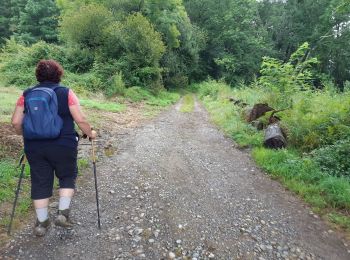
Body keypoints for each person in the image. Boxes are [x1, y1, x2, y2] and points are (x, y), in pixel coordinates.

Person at [11, 59, 97, 237]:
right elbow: (80, 119)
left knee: (40, 181)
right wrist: (91, 133)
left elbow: (15, 122)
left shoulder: (26, 94)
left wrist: (24, 134)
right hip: (63, 143)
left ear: (38, 75)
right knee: (67, 175)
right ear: (59, 74)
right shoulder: (66, 93)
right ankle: (62, 214)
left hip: (34, 146)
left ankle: (41, 224)